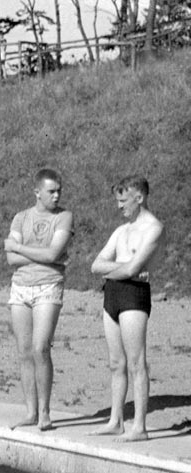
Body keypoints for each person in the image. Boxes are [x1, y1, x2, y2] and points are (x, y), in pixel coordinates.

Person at [90, 175, 164, 442]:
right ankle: (116, 420)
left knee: (136, 362)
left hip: (134, 297)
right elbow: (96, 265)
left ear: (139, 197)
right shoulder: (121, 231)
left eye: (123, 201)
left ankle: (140, 427)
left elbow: (135, 268)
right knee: (115, 363)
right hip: (112, 294)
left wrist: (126, 270)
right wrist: (126, 270)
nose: (119, 207)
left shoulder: (153, 228)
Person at [3, 168, 72, 430]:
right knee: (24, 351)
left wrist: (20, 248)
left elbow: (54, 254)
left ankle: (45, 412)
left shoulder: (64, 217)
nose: (56, 195)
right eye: (51, 191)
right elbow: (11, 260)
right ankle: (30, 411)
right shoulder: (21, 218)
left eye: (59, 191)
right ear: (37, 192)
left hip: (48, 285)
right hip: (21, 287)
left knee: (40, 347)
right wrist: (40, 254)